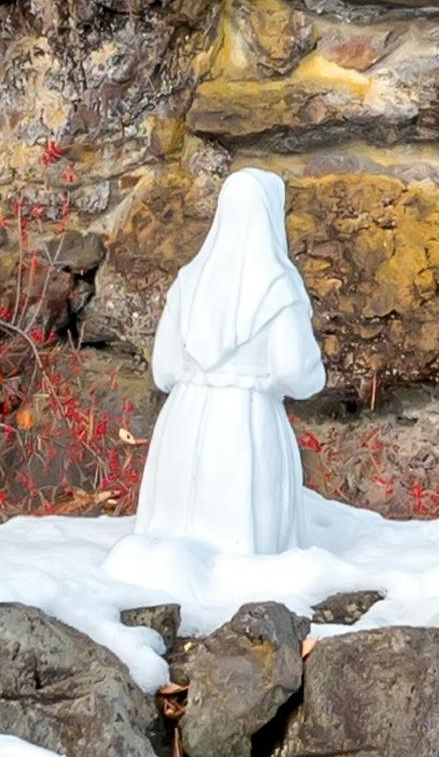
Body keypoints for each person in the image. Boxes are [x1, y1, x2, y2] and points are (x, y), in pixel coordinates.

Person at [135, 165, 326, 557]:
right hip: (246, 423)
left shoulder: (189, 279)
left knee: (175, 532)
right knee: (243, 534)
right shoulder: (278, 284)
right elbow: (295, 369)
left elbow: (164, 368)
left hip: (184, 421)